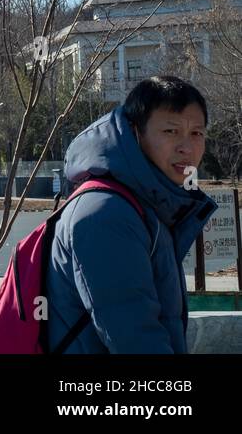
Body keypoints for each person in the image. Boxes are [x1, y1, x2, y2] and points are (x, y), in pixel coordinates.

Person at [46, 76, 217, 353]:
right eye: (171, 131)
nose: (187, 147)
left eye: (196, 133)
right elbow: (135, 339)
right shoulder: (105, 213)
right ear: (135, 131)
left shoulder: (147, 203)